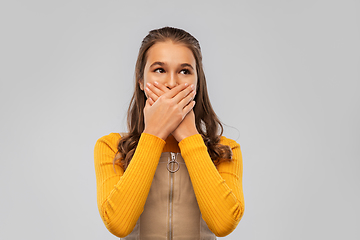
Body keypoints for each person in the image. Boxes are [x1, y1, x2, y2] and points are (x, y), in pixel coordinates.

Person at [94, 26, 245, 239]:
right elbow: (119, 224)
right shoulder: (111, 147)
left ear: (197, 82)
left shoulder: (225, 150)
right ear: (141, 82)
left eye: (184, 71)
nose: (172, 83)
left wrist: (190, 137)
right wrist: (154, 133)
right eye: (159, 70)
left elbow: (223, 225)